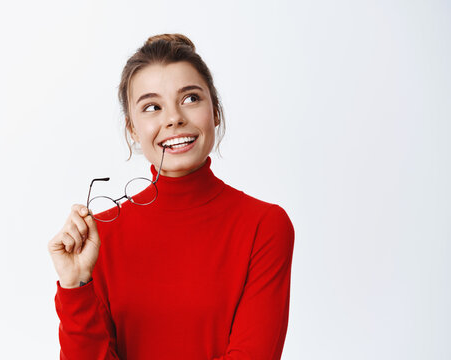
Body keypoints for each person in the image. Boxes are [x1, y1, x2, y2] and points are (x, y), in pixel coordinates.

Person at [48, 33, 295, 360]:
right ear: (132, 130)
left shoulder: (264, 227)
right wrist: (76, 285)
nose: (174, 118)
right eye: (152, 106)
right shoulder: (99, 236)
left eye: (191, 98)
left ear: (215, 111)